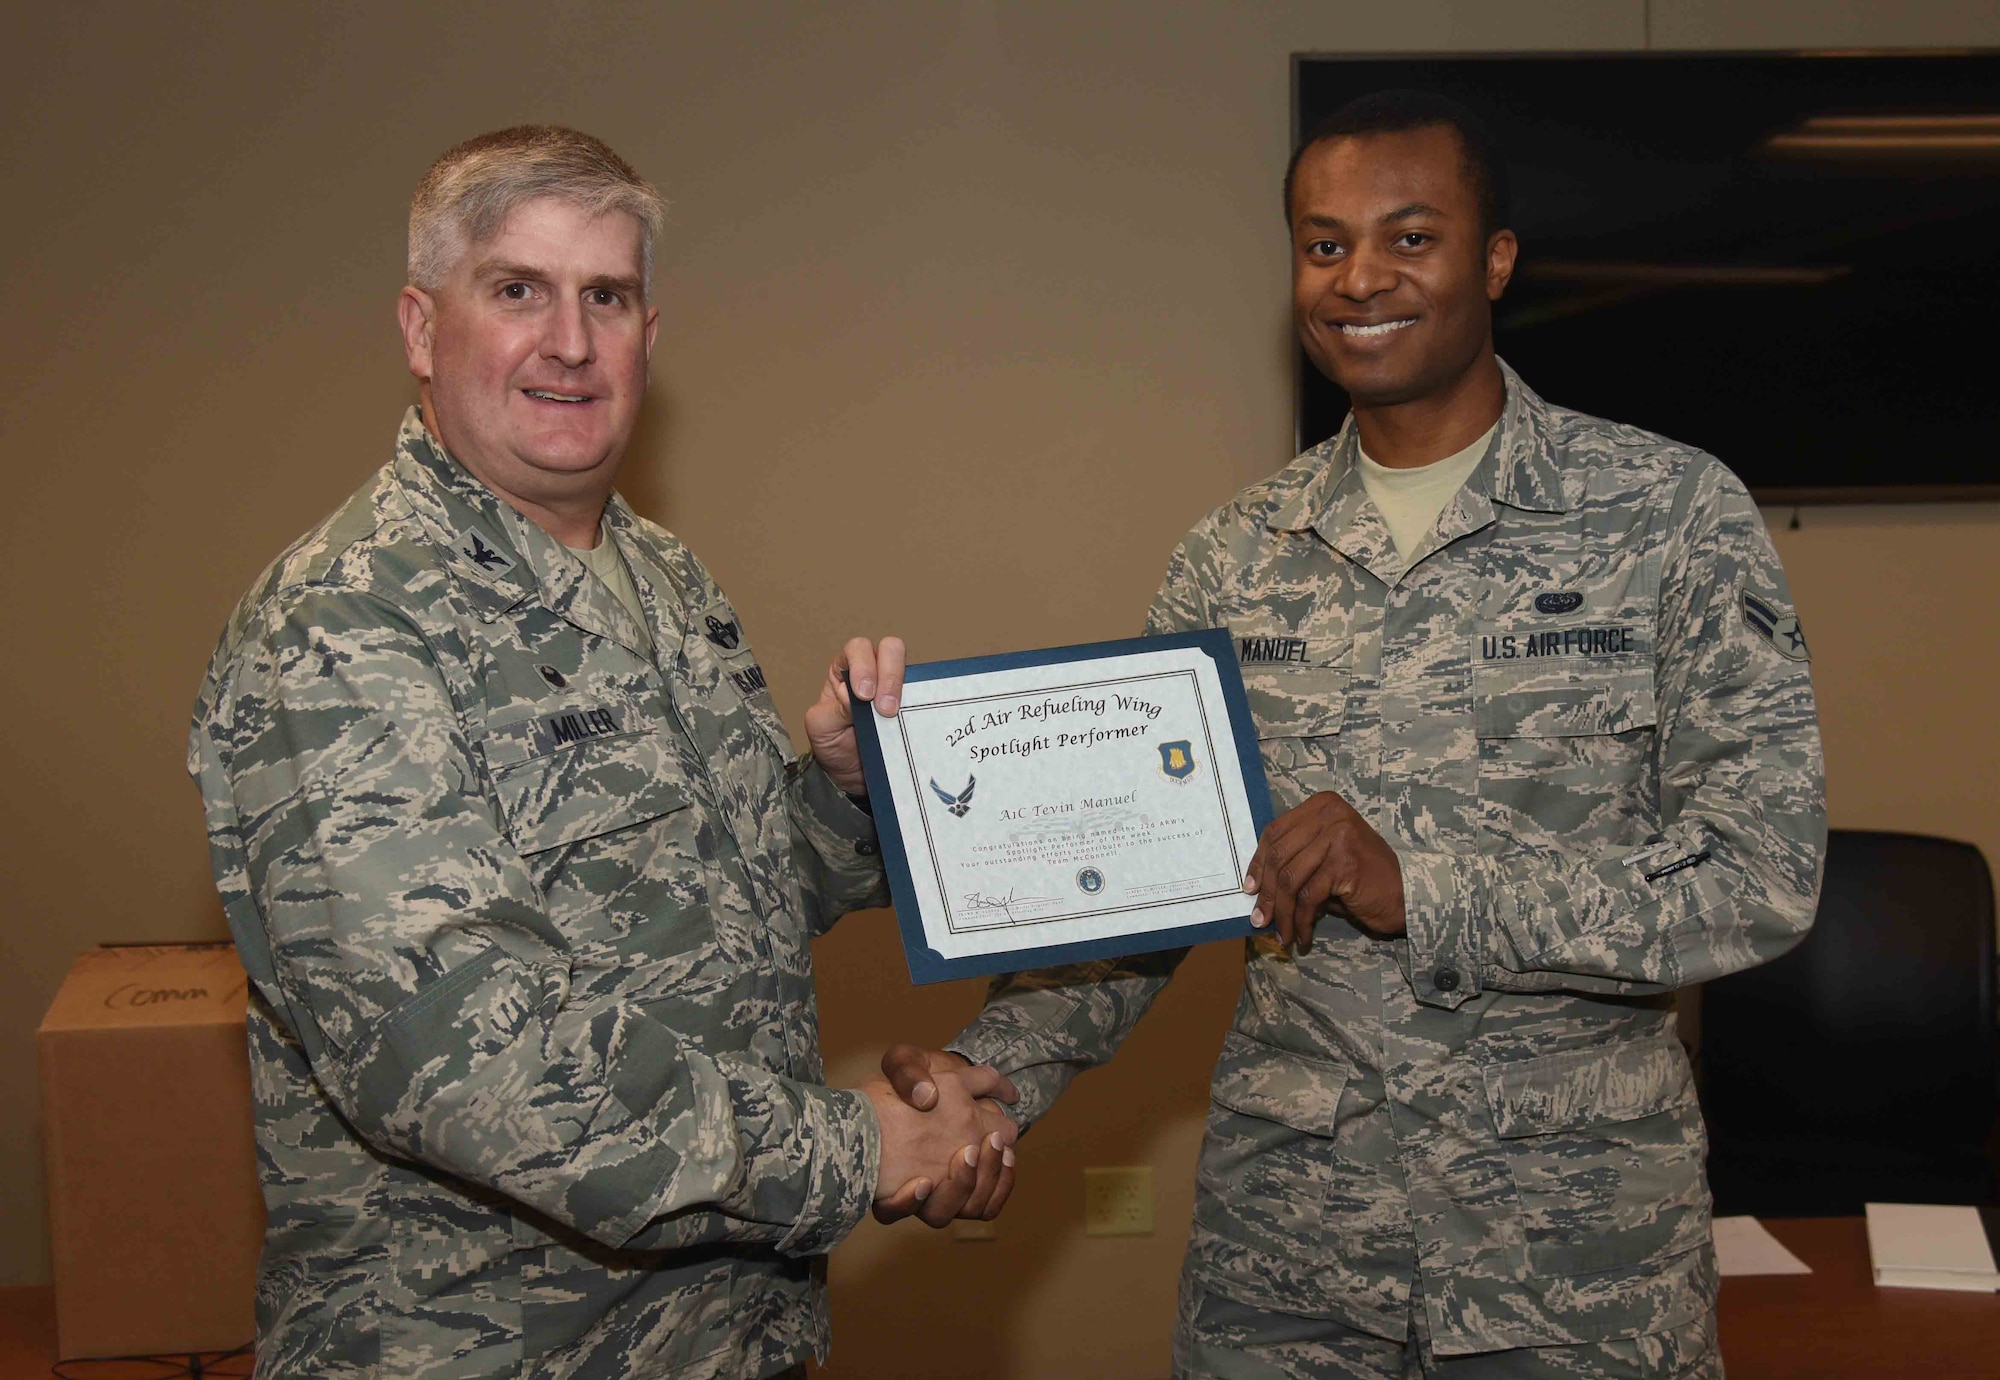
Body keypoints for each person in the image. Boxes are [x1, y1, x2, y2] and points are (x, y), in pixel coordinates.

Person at [872, 90, 1825, 1377]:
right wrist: (985, 1087)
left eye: (1409, 238)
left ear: (1491, 259)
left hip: (1571, 1263)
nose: (1359, 278)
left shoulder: (1666, 515)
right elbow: (1147, 893)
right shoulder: (1232, 556)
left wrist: (1416, 889)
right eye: (1323, 246)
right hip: (1290, 1264)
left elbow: (1754, 880)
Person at [188, 125, 1015, 1379]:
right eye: (516, 290)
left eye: (606, 296)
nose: (568, 342)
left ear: (648, 334)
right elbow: (459, 1057)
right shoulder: (348, 620)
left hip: (728, 1333)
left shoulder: (661, 577)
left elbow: (708, 907)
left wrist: (844, 804)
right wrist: (856, 1151)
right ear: (421, 329)